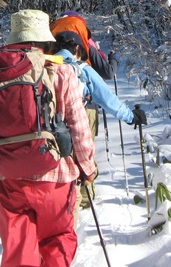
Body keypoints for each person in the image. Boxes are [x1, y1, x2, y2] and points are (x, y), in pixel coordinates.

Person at [0, 9, 96, 267]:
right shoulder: (60, 72)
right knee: (57, 239)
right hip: (56, 177)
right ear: (45, 39)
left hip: (9, 178)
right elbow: (79, 127)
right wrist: (87, 168)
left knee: (18, 250)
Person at [53, 29, 146, 208]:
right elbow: (107, 99)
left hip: (47, 127)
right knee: (80, 162)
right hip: (76, 121)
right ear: (78, 49)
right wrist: (131, 117)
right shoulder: (81, 69)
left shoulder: (44, 66)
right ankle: (83, 202)